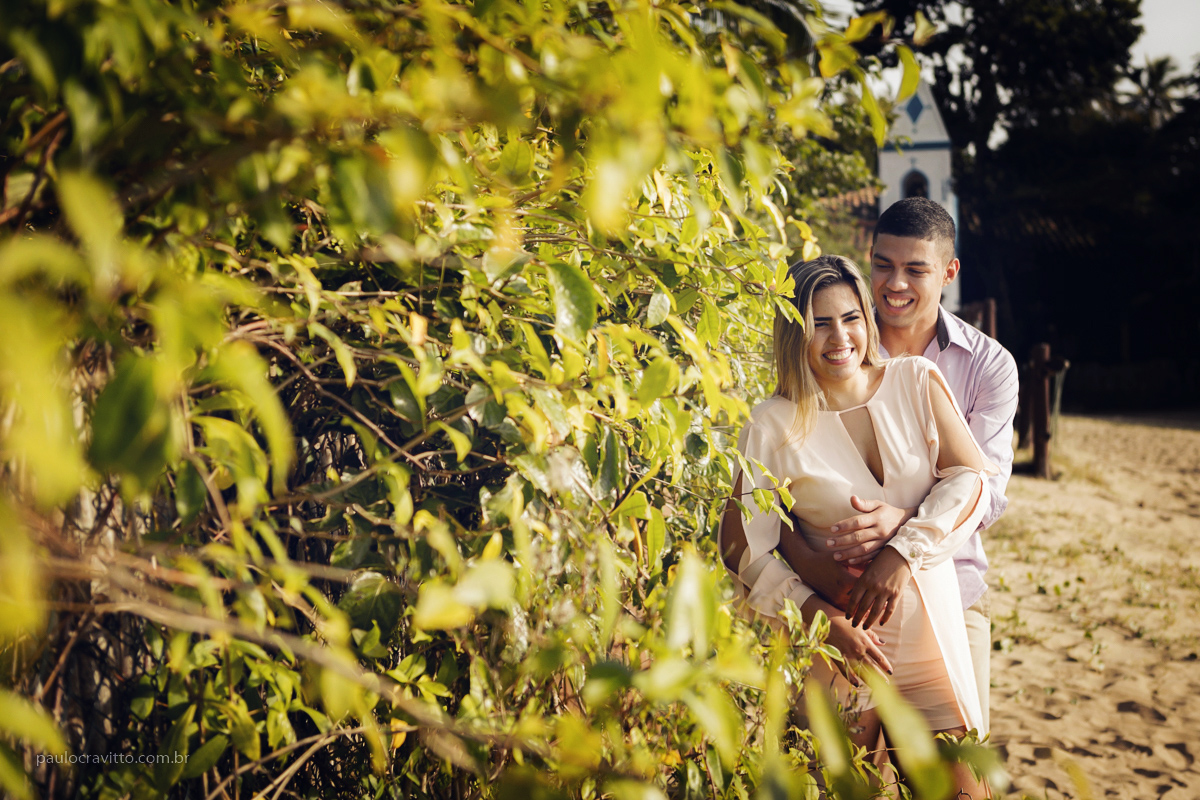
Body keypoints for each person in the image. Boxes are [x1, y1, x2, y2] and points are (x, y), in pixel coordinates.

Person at [719, 254, 995, 796]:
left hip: (932, 641)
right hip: (841, 653)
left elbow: (970, 479)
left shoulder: (915, 380)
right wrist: (820, 617)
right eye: (819, 323)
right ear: (794, 331)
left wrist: (901, 553)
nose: (839, 336)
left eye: (850, 317)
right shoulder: (771, 422)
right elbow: (741, 547)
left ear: (868, 320)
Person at [764, 198, 1019, 733]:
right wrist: (816, 583)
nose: (895, 283)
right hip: (840, 608)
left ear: (949, 272)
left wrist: (901, 527)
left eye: (916, 270)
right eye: (883, 265)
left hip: (952, 589)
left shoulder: (988, 365)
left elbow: (986, 493)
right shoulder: (836, 338)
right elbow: (779, 487)